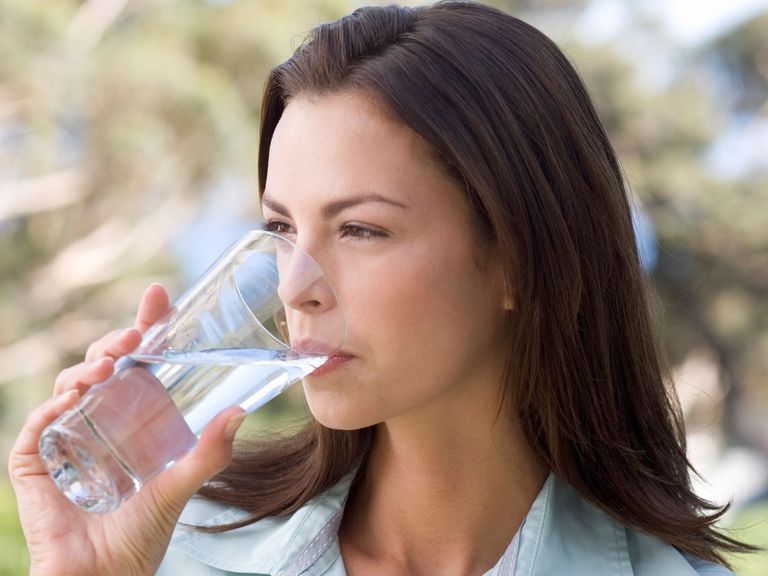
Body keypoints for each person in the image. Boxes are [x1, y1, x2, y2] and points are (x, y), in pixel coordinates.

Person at [9, 2, 754, 574]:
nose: (295, 287)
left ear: (521, 259)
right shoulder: (183, 548)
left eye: (361, 229)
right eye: (280, 229)